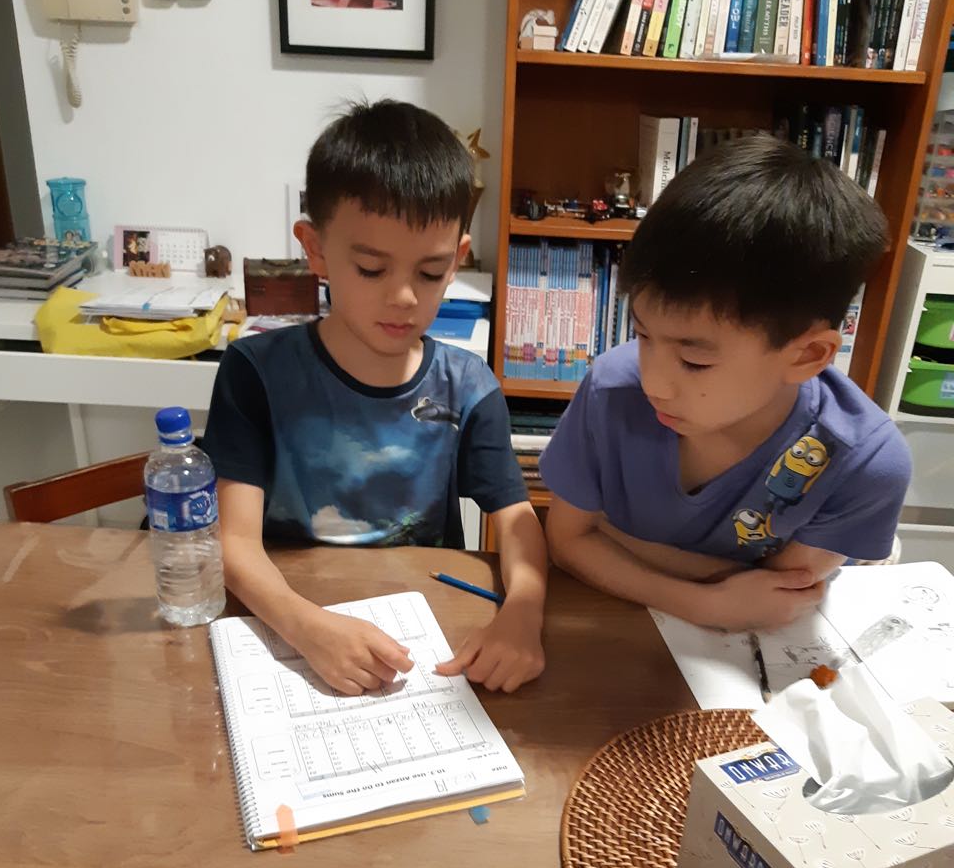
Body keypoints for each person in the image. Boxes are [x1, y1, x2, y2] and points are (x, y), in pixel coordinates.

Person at [204, 100, 546, 693]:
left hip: (423, 638)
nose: (404, 297)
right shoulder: (255, 372)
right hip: (286, 623)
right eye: (370, 269)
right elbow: (233, 542)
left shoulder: (468, 387)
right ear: (315, 249)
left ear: (457, 258)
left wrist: (523, 612)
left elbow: (516, 517)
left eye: (430, 272)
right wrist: (307, 627)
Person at [542, 134, 911, 632]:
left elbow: (776, 596)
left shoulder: (865, 459)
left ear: (808, 355)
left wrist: (614, 539)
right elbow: (566, 542)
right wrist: (703, 602)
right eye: (643, 335)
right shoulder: (612, 389)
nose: (654, 383)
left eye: (694, 361)